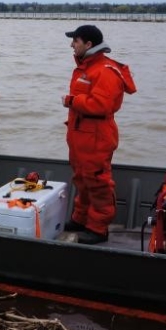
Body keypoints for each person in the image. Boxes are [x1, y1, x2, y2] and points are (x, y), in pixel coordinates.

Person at [62, 24, 137, 244]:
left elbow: (101, 105)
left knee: (97, 182)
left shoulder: (104, 70)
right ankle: (81, 219)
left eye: (75, 41)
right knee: (82, 179)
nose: (71, 45)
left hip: (96, 136)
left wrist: (72, 101)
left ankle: (98, 228)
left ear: (89, 44)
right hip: (81, 135)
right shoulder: (87, 67)